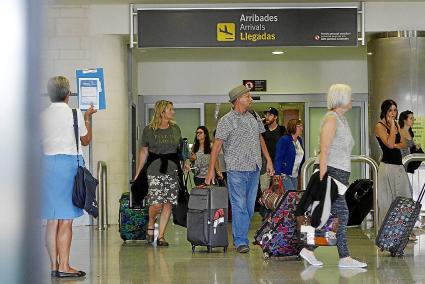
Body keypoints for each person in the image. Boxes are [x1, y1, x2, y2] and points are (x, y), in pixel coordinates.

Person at [298, 83, 367, 268]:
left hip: (339, 176)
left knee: (332, 214)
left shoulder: (341, 119)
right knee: (342, 214)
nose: (352, 99)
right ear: (341, 99)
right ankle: (343, 257)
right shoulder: (331, 119)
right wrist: (322, 179)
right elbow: (324, 150)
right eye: (349, 96)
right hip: (332, 175)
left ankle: (309, 249)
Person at [205, 85, 274, 253]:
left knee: (250, 208)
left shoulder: (254, 116)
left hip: (254, 168)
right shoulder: (226, 121)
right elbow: (216, 146)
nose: (250, 99)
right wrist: (211, 170)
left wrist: (268, 160)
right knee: (239, 206)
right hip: (236, 169)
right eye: (247, 96)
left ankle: (241, 236)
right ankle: (240, 240)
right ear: (238, 100)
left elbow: (260, 139)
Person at [41, 76, 97, 278]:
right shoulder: (75, 113)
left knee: (51, 219)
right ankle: (64, 266)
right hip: (68, 167)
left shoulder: (43, 115)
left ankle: (53, 266)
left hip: (46, 166)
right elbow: (85, 140)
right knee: (65, 220)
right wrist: (89, 117)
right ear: (67, 94)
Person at [134, 100, 183, 247]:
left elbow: (180, 149)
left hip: (172, 168)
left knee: (168, 203)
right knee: (156, 204)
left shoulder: (175, 128)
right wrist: (138, 172)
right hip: (154, 169)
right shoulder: (149, 130)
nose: (173, 112)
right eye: (170, 109)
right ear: (162, 112)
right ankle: (151, 221)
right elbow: (143, 152)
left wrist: (185, 162)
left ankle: (161, 236)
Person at [375, 100, 412, 236]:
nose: (393, 113)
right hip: (387, 167)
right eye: (390, 110)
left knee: (405, 198)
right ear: (384, 111)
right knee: (387, 201)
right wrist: (391, 127)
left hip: (398, 167)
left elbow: (403, 143)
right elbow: (390, 144)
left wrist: (396, 143)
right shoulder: (380, 126)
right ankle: (386, 234)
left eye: (395, 110)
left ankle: (401, 231)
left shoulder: (396, 123)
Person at [260, 107, 286, 192]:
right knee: (265, 192)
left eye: (270, 115)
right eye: (266, 114)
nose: (267, 117)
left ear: (275, 117)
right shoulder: (262, 131)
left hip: (279, 167)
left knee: (278, 192)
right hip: (265, 166)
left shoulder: (282, 130)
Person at [274, 119, 305, 191]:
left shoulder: (299, 140)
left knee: (292, 198)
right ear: (293, 127)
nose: (302, 128)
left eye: (301, 126)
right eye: (299, 126)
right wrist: (277, 173)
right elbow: (278, 157)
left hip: (295, 174)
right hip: (284, 174)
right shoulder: (284, 140)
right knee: (291, 196)